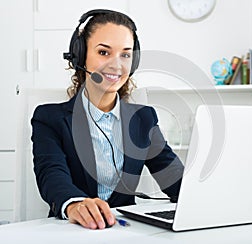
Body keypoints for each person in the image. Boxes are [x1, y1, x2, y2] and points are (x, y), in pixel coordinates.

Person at [31, 9, 184, 230]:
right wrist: (76, 204)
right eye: (104, 52)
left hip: (124, 230)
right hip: (72, 231)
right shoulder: (49, 118)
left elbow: (173, 177)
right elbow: (51, 174)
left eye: (126, 54)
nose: (116, 65)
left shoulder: (143, 119)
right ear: (80, 55)